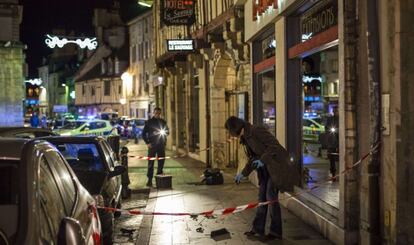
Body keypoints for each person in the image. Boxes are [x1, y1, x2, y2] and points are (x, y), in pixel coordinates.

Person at [225, 116, 297, 241]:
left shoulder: (256, 130)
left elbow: (274, 146)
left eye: (229, 130)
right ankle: (258, 229)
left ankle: (275, 233)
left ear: (235, 128)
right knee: (262, 198)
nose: (229, 134)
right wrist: (243, 174)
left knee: (270, 197)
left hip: (276, 167)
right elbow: (252, 159)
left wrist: (262, 160)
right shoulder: (245, 137)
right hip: (265, 170)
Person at [142, 107, 169, 187]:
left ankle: (159, 179)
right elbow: (143, 134)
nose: (157, 114)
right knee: (151, 163)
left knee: (161, 162)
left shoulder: (163, 122)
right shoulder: (149, 122)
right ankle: (149, 180)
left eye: (159, 113)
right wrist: (147, 143)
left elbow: (167, 132)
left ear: (160, 113)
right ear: (153, 113)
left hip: (161, 145)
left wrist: (165, 134)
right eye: (156, 113)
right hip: (152, 145)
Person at [324, 106, 339, 180]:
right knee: (331, 158)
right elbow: (327, 128)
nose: (336, 112)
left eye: (337, 111)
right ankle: (333, 173)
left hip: (339, 140)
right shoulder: (330, 119)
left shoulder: (340, 119)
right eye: (335, 111)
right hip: (332, 142)